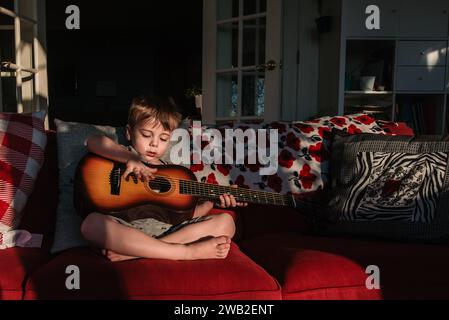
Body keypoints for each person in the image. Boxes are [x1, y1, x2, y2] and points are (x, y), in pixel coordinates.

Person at [80, 96, 247, 262]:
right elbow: (93, 141)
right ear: (129, 133)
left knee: (226, 222)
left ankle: (139, 251)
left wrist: (212, 200)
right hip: (126, 228)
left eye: (163, 138)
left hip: (168, 231)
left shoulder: (173, 171)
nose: (154, 143)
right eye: (146, 135)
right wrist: (130, 158)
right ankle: (185, 253)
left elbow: (186, 215)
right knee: (91, 224)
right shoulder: (122, 154)